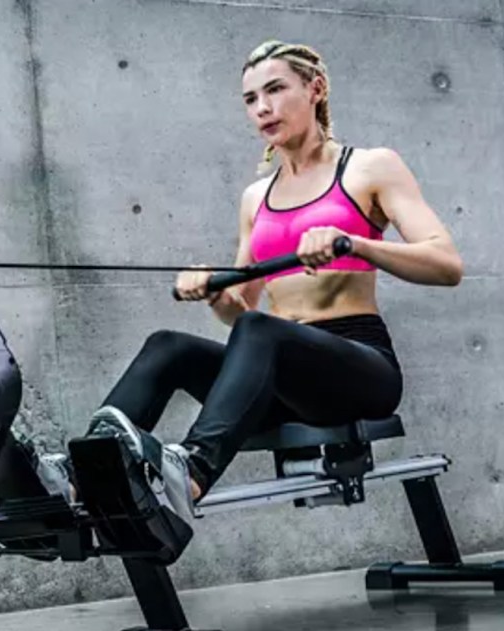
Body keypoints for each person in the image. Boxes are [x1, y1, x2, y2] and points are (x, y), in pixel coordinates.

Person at [36, 39, 463, 524]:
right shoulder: (256, 197)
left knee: (263, 332)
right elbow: (242, 313)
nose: (263, 108)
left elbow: (446, 264)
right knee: (168, 346)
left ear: (315, 89)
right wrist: (218, 293)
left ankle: (190, 471)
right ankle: (79, 476)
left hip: (360, 369)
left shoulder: (369, 167)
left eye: (276, 90)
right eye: (251, 99)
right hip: (280, 384)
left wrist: (355, 244)